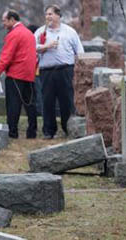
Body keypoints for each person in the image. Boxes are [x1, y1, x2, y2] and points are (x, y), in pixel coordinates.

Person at [34, 4, 84, 139]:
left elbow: (79, 51)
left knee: (66, 101)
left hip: (65, 70)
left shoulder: (69, 32)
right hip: (46, 71)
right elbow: (32, 48)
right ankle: (49, 131)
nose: (47, 17)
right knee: (47, 101)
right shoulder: (40, 32)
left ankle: (68, 128)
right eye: (46, 14)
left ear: (58, 16)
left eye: (50, 14)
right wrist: (46, 46)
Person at [0, 10, 38, 139]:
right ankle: (32, 132)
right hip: (29, 75)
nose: (3, 24)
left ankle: (12, 133)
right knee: (30, 104)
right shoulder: (29, 34)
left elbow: (6, 58)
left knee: (13, 105)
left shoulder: (13, 34)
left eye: (4, 21)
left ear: (12, 20)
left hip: (16, 75)